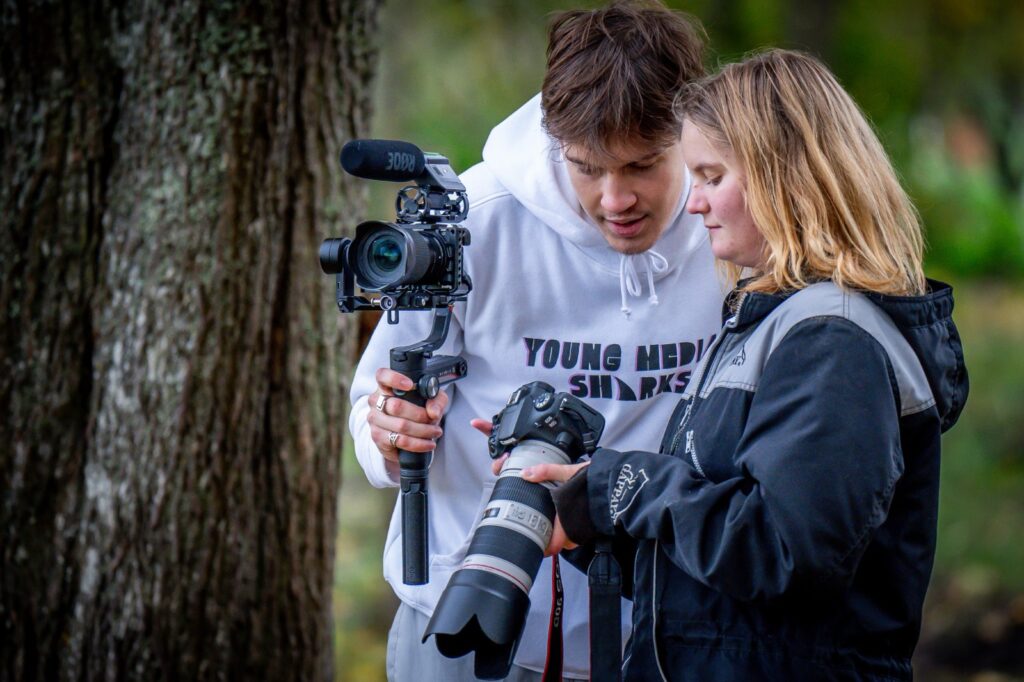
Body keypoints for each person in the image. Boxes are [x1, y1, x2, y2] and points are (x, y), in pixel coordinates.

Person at [530, 49, 970, 680]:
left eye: (711, 177)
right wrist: (588, 514)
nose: (694, 204)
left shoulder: (833, 340)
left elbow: (784, 553)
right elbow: (717, 588)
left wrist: (625, 485)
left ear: (786, 176)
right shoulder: (773, 321)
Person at [348, 2, 724, 679]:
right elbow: (371, 407)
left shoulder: (728, 225)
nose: (615, 198)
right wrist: (389, 433)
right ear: (555, 139)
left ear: (688, 134)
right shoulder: (471, 221)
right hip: (458, 612)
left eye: (642, 166)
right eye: (587, 167)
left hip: (657, 625)